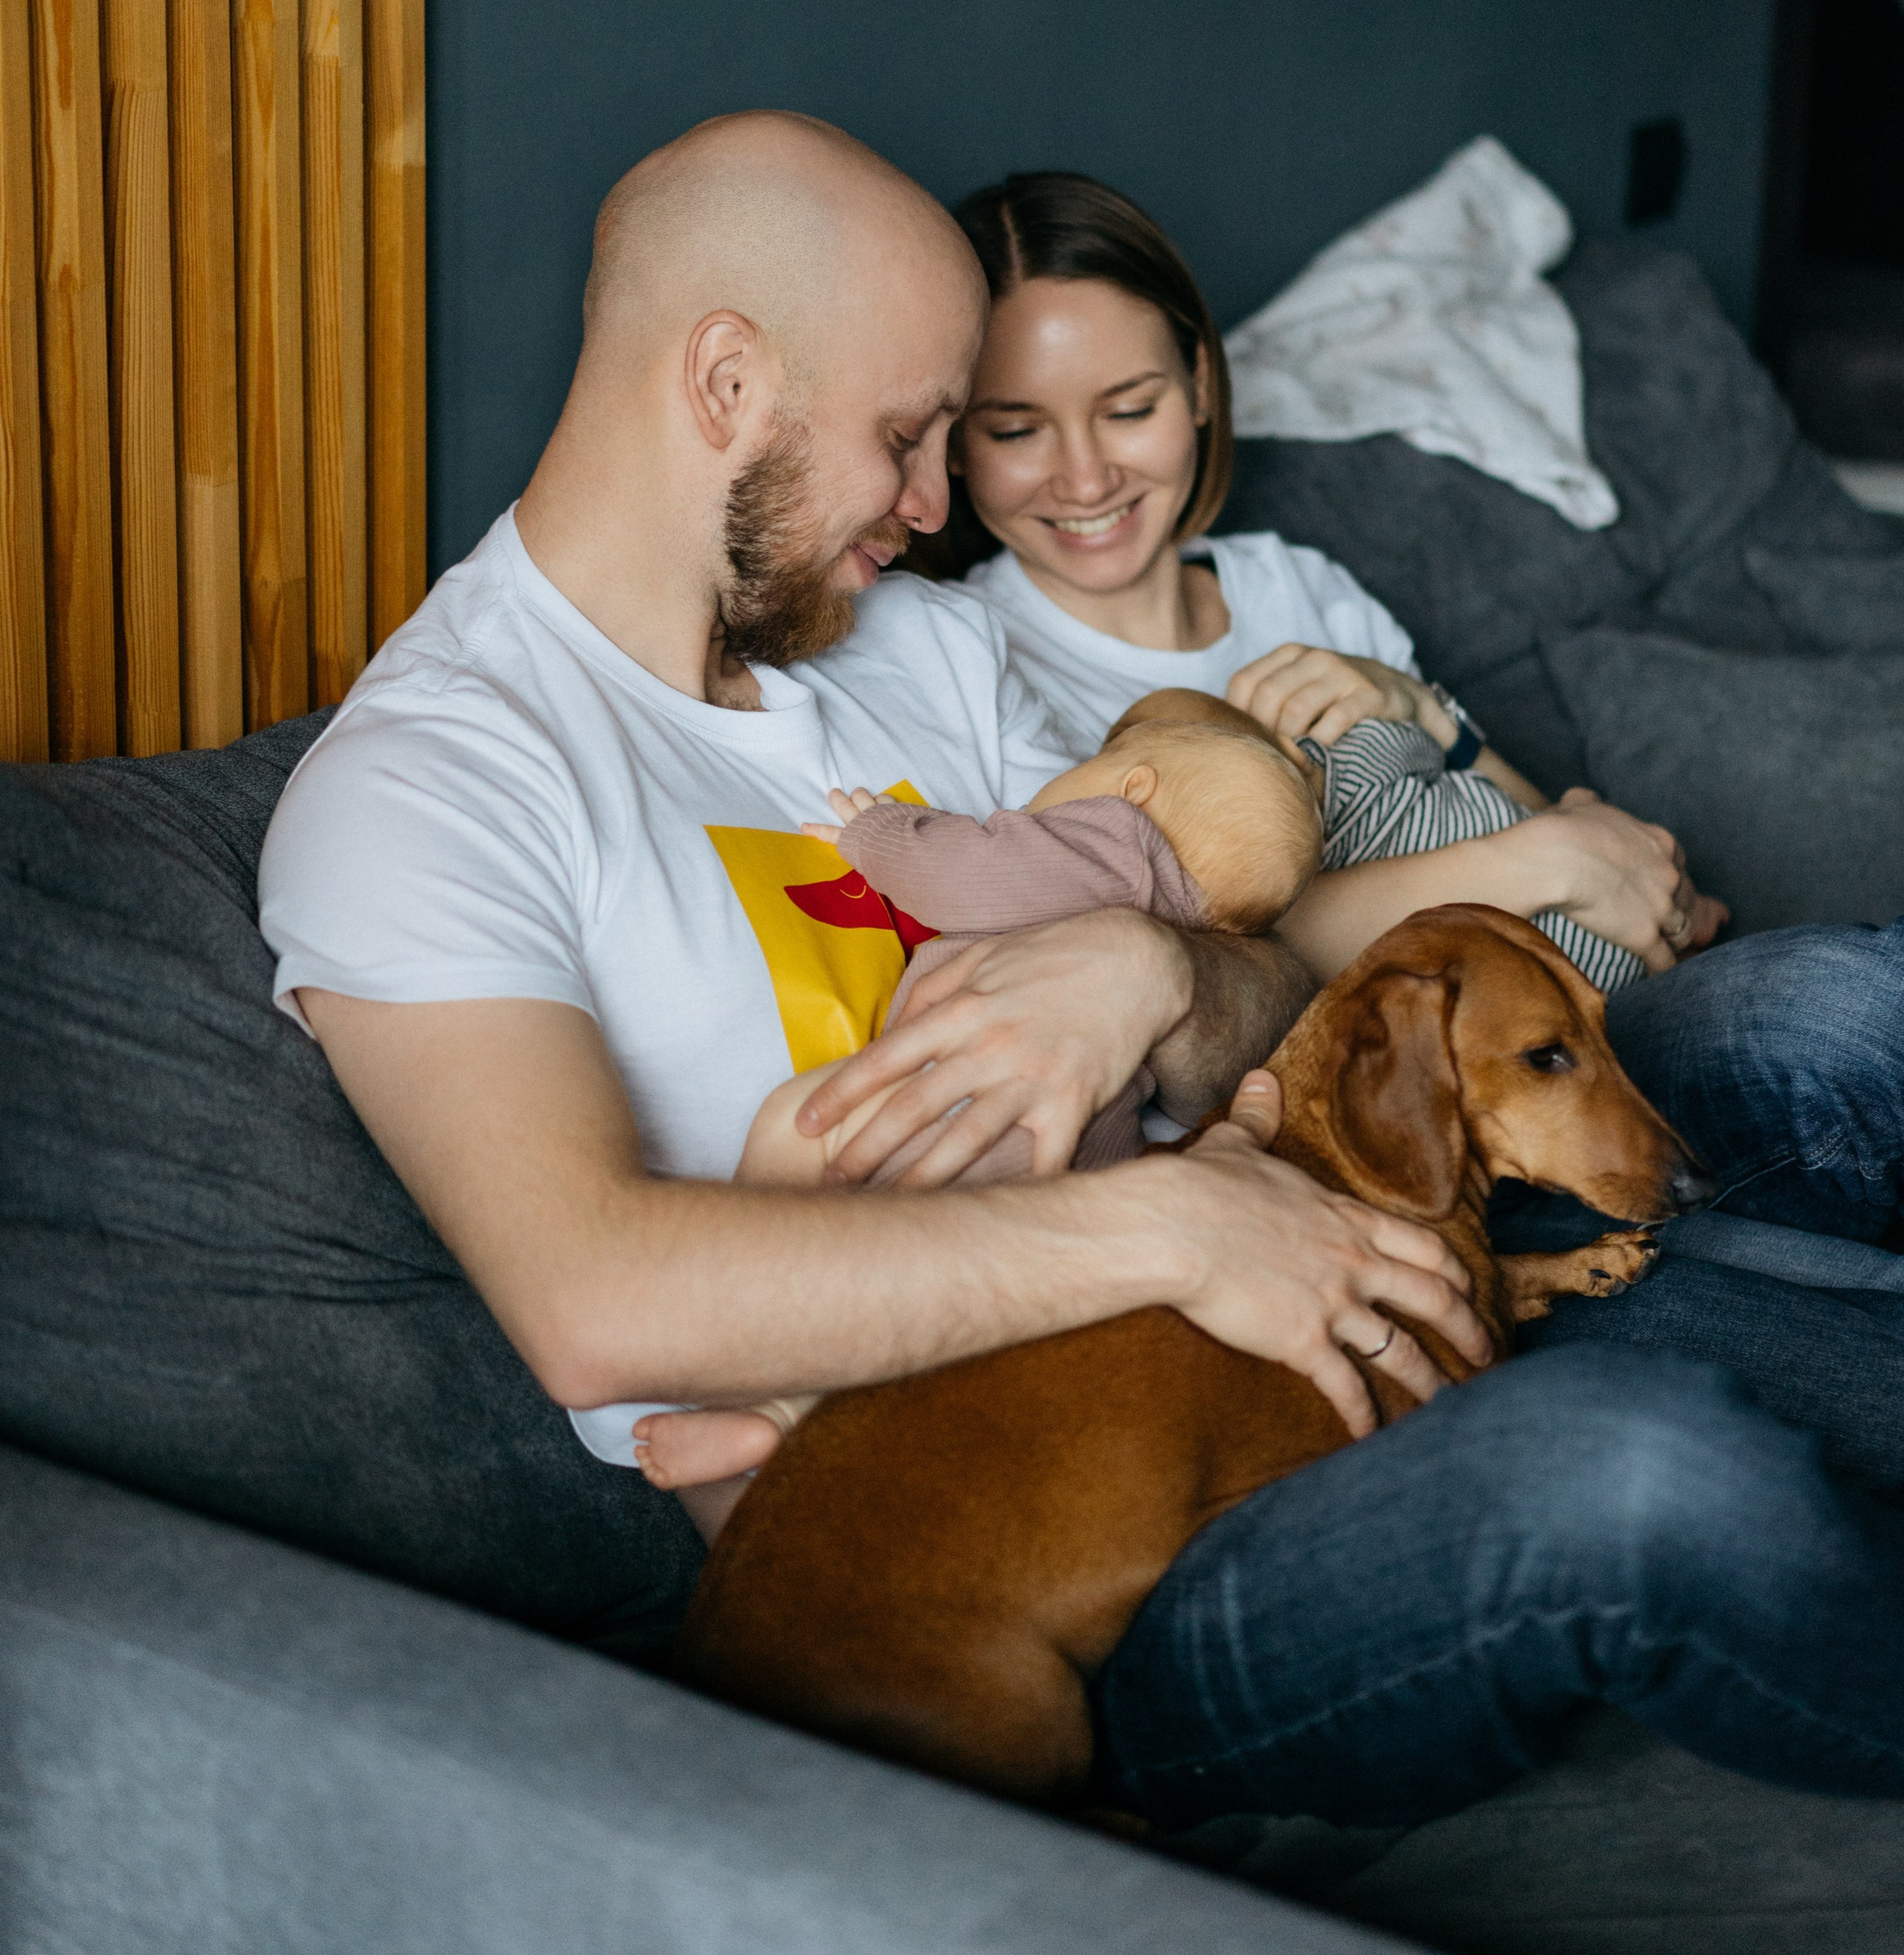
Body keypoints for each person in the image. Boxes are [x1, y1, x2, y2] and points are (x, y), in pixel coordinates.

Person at [258, 110, 1904, 1832]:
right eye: (908, 436)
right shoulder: (430, 783)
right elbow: (594, 1302)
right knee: (1648, 1481)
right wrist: (1173, 1223)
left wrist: (1145, 971)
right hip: (1039, 1555)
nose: (928, 501)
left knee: (1805, 1015)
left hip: (1314, 1294)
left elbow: (1262, 988)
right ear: (727, 385)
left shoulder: (911, 651)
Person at [930, 167, 1904, 1265]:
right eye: (1016, 429)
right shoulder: (969, 657)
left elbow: (1520, 818)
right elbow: (1196, 971)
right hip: (1385, 1131)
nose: (1085, 475)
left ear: (1201, 384)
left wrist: (1430, 719)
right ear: (954, 439)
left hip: (1582, 1019)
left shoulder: (1291, 581)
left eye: (1130, 408)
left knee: (1872, 994)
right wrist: (1536, 864)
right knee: (1839, 1014)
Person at [631, 688, 1329, 1490]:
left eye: (1087, 766)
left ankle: (755, 1378)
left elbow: (973, 875)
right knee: (939, 1316)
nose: (1042, 794)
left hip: (975, 1105)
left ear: (1133, 787)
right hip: (1090, 1155)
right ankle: (788, 1418)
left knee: (800, 1125)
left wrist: (877, 834)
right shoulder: (1186, 915)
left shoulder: (1113, 841)